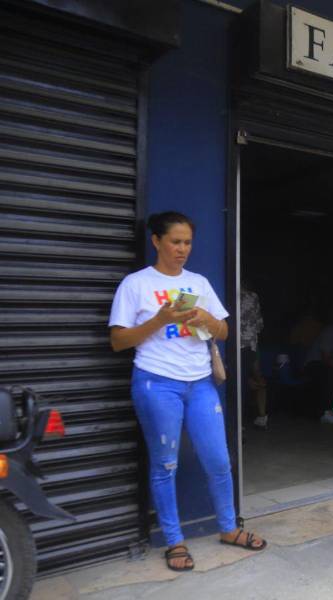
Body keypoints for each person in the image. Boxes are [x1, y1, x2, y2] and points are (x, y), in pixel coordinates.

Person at [109, 211, 266, 572]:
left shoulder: (198, 282)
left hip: (200, 384)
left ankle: (228, 528)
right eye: (175, 242)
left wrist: (206, 320)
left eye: (187, 242)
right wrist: (160, 319)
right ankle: (174, 540)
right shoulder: (136, 284)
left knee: (219, 461)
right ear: (156, 241)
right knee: (165, 464)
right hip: (156, 382)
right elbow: (118, 341)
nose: (182, 249)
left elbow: (224, 332)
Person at [241, 281, 267, 429]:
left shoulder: (227, 296)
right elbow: (259, 324)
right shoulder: (252, 297)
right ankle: (259, 417)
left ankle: (238, 422)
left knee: (239, 383)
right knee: (248, 381)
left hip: (231, 345)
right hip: (249, 345)